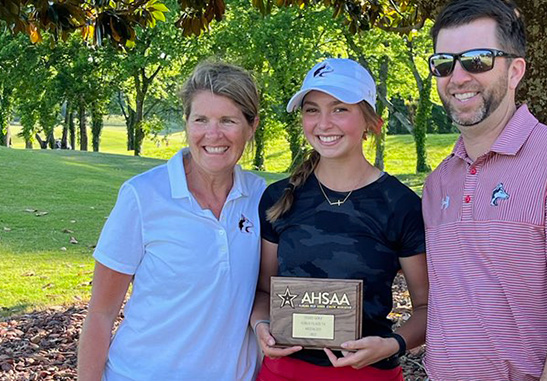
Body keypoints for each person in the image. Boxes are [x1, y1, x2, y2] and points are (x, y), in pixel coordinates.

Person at [422, 0, 547, 380]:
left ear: (515, 70)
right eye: (444, 63)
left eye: (478, 60)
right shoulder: (438, 182)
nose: (458, 76)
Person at [77, 61, 266, 381]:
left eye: (228, 120)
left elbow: (266, 292)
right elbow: (100, 314)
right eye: (201, 119)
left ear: (252, 126)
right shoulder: (142, 195)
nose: (213, 134)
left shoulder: (263, 198)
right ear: (187, 123)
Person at [249, 58, 428, 381]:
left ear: (372, 122)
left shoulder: (400, 205)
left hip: (368, 375)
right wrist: (261, 326)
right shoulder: (278, 199)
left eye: (340, 109)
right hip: (283, 373)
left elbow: (427, 308)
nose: (323, 123)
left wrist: (392, 344)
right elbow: (263, 292)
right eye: (312, 109)